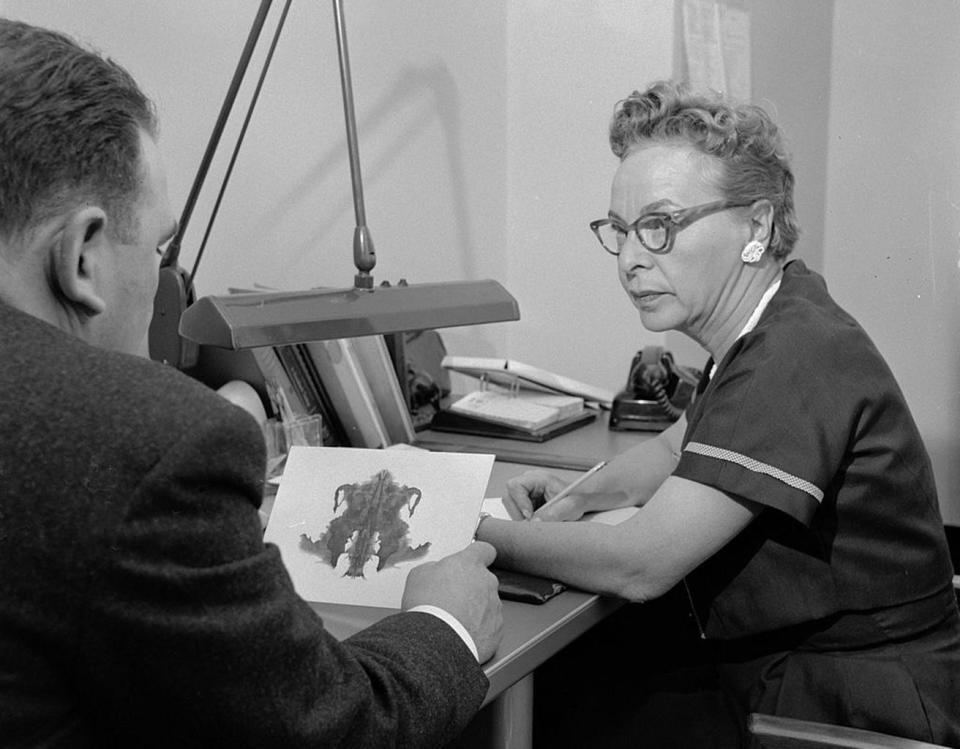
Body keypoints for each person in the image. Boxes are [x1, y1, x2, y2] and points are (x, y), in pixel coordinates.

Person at [0, 18, 502, 748]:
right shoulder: (143, 442)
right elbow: (332, 729)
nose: (163, 279)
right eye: (161, 246)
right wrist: (443, 622)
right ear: (81, 257)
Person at [476, 80, 960, 747]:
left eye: (661, 225)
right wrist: (579, 496)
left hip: (851, 707)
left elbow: (638, 565)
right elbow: (677, 448)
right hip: (810, 669)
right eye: (620, 232)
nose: (633, 259)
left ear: (756, 226)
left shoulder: (793, 356)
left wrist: (473, 533)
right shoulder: (776, 313)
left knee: (553, 711)